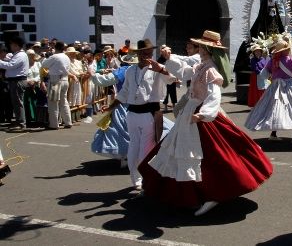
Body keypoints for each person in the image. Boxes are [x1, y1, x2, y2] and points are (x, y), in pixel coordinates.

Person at [139, 30, 273, 216]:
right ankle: (193, 193)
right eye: (199, 46)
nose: (199, 49)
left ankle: (214, 194)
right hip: (192, 111)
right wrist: (167, 60)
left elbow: (214, 95)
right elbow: (185, 71)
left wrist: (203, 115)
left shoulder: (210, 69)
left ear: (208, 50)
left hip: (201, 114)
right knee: (187, 153)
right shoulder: (202, 65)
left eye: (202, 46)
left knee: (211, 155)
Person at [102, 39, 174, 190]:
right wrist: (110, 107)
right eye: (143, 53)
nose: (146, 56)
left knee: (145, 150)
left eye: (148, 53)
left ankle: (146, 179)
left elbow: (173, 79)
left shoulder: (157, 68)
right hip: (132, 113)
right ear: (138, 54)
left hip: (150, 112)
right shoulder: (130, 71)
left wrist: (161, 70)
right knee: (133, 148)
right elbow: (124, 92)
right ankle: (136, 179)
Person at [91, 53, 174, 167]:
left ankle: (130, 158)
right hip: (142, 106)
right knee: (140, 134)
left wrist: (92, 75)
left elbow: (104, 81)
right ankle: (141, 160)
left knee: (124, 132)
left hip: (126, 105)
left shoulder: (124, 70)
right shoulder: (145, 70)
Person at [41, 42, 76, 130]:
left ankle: (53, 124)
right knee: (63, 102)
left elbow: (44, 65)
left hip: (55, 80)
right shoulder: (66, 57)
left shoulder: (55, 56)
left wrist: (46, 57)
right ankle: (68, 122)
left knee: (53, 103)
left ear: (55, 48)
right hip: (64, 79)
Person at [0, 36, 29, 131]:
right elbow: (10, 62)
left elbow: (11, 65)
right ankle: (19, 121)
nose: (10, 46)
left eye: (12, 44)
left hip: (18, 81)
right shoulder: (17, 54)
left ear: (16, 45)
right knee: (16, 103)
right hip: (15, 81)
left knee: (18, 103)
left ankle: (21, 123)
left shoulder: (20, 55)